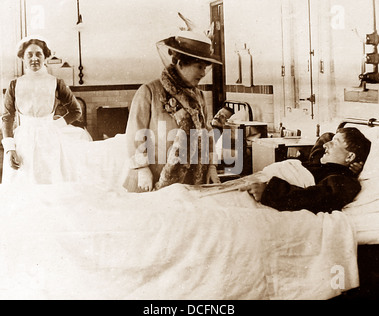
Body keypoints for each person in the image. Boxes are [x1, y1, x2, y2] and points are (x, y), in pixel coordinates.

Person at [1, 35, 127, 186]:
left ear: (45, 57)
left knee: (50, 181)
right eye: (29, 54)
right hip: (23, 141)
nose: (34, 58)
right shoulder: (15, 84)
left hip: (49, 140)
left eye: (38, 54)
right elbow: (7, 118)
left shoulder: (55, 82)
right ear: (22, 58)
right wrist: (9, 149)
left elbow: (76, 111)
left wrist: (55, 125)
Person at [124, 13, 221, 192]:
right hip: (152, 180)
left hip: (191, 180)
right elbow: (134, 133)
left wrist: (212, 166)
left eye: (205, 67)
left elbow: (206, 133)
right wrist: (142, 168)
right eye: (199, 66)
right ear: (180, 63)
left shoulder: (198, 96)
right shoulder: (149, 92)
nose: (203, 73)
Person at [243, 127, 371, 214]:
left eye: (335, 143)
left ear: (350, 156)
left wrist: (269, 191)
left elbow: (314, 198)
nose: (326, 145)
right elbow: (325, 137)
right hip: (257, 180)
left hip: (264, 191)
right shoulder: (318, 162)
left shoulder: (344, 179)